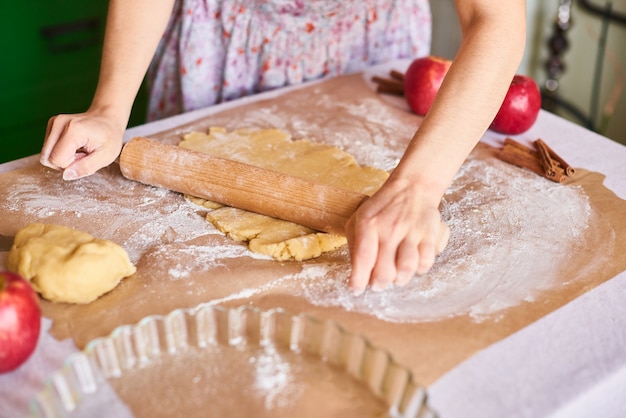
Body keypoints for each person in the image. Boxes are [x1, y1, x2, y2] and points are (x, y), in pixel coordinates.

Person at [40, 0, 527, 295]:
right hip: (225, 47)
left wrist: (416, 186)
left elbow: (495, 17)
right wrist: (109, 107)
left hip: (369, 50)